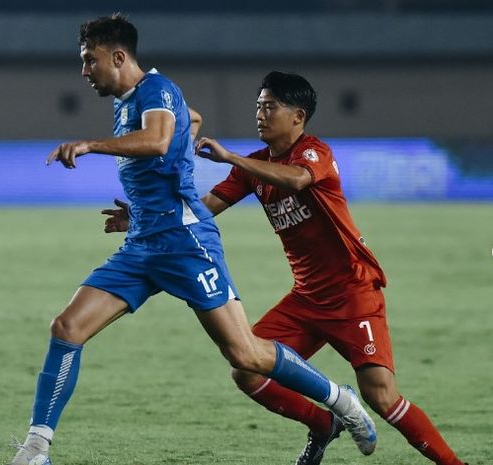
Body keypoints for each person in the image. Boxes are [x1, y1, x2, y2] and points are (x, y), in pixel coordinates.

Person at [11, 17, 377, 465]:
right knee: (66, 328)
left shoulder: (156, 90)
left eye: (90, 60)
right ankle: (35, 450)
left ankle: (341, 402)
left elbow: (161, 139)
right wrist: (139, 213)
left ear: (118, 57)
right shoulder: (129, 101)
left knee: (245, 354)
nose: (85, 71)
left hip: (186, 242)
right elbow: (189, 121)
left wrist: (90, 145)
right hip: (144, 244)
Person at [104, 70, 466, 465]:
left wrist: (231, 157)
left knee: (381, 396)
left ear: (298, 116)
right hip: (306, 299)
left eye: (270, 107)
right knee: (246, 368)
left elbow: (296, 181)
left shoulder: (314, 153)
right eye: (258, 106)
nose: (260, 114)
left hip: (352, 293)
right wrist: (143, 219)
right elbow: (205, 209)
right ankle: (323, 424)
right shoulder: (253, 167)